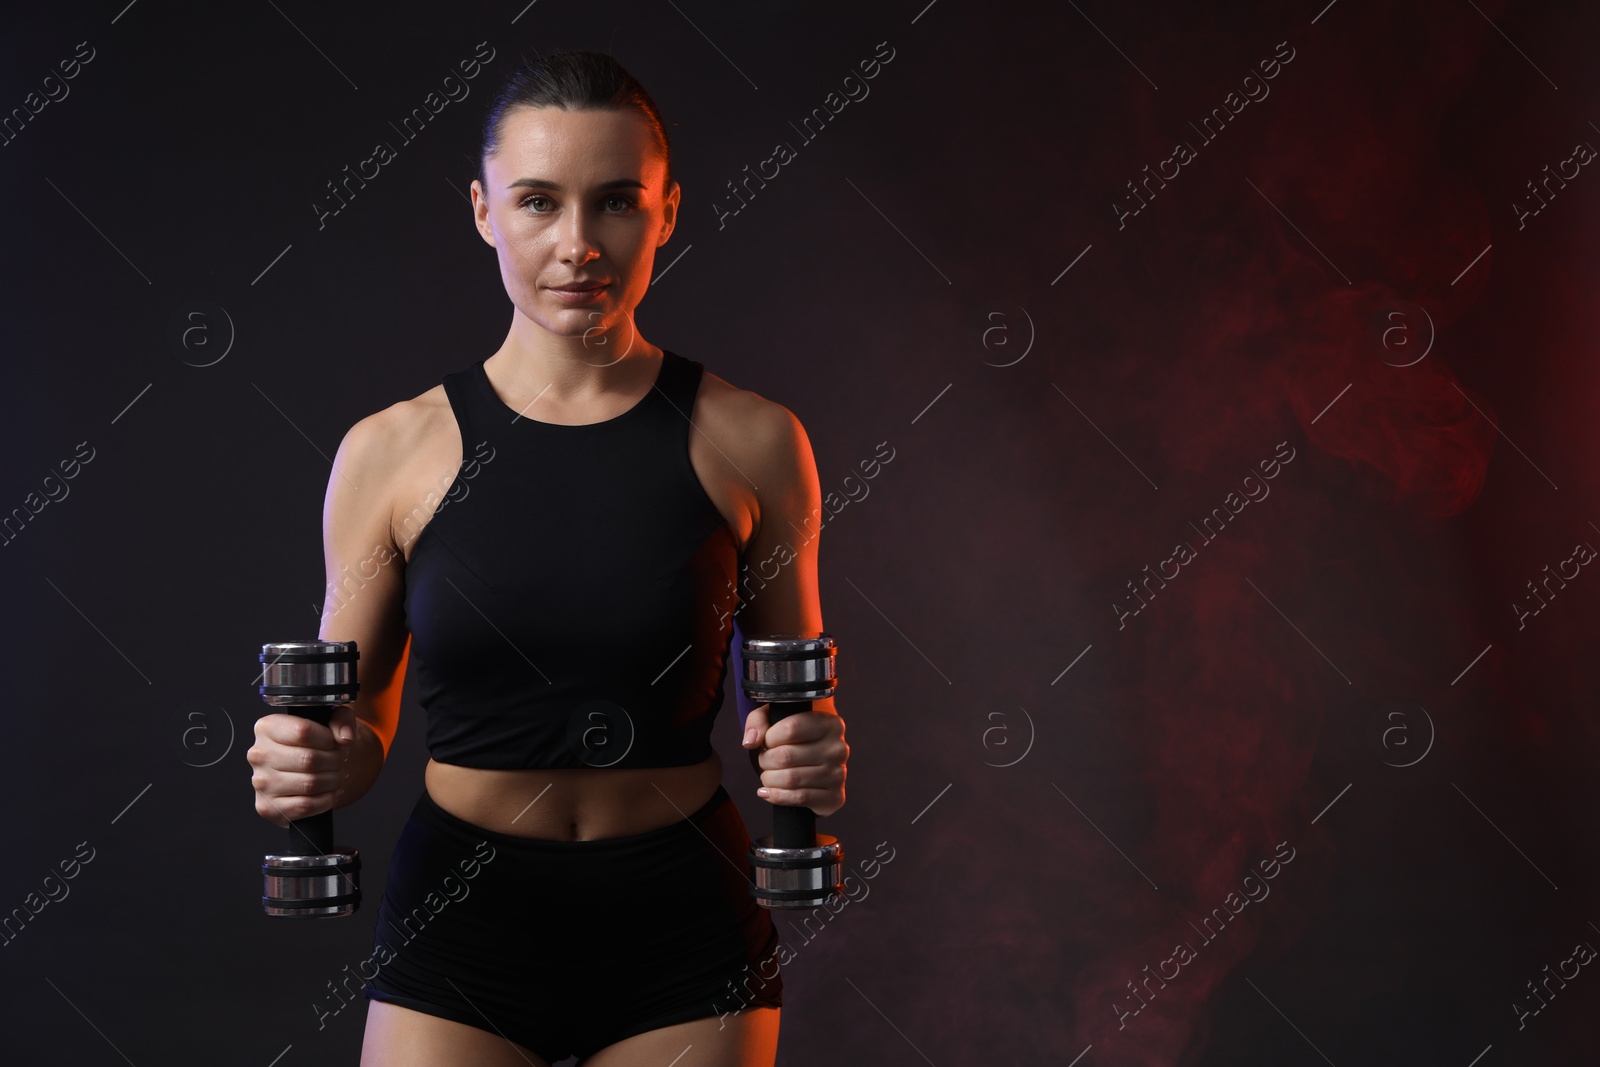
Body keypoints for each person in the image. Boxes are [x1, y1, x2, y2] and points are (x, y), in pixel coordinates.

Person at [247, 50, 849, 1067]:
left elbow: (796, 701)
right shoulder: (389, 453)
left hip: (682, 917)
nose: (577, 244)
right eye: (537, 202)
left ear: (666, 211)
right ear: (484, 211)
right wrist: (313, 761)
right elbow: (359, 727)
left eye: (616, 201)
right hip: (464, 912)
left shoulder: (755, 442)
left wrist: (818, 747)